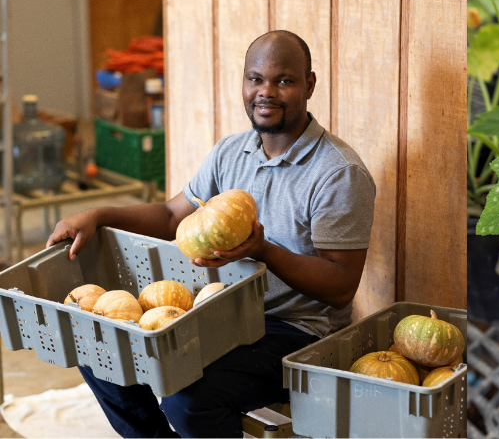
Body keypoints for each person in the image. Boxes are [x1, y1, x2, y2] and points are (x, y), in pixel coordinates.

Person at [47, 30, 376, 438]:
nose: (266, 91)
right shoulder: (231, 152)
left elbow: (341, 287)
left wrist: (262, 250)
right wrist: (97, 215)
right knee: (100, 346)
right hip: (224, 312)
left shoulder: (339, 173)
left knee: (188, 400)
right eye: (255, 79)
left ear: (309, 85)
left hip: (299, 333)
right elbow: (171, 216)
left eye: (284, 80)